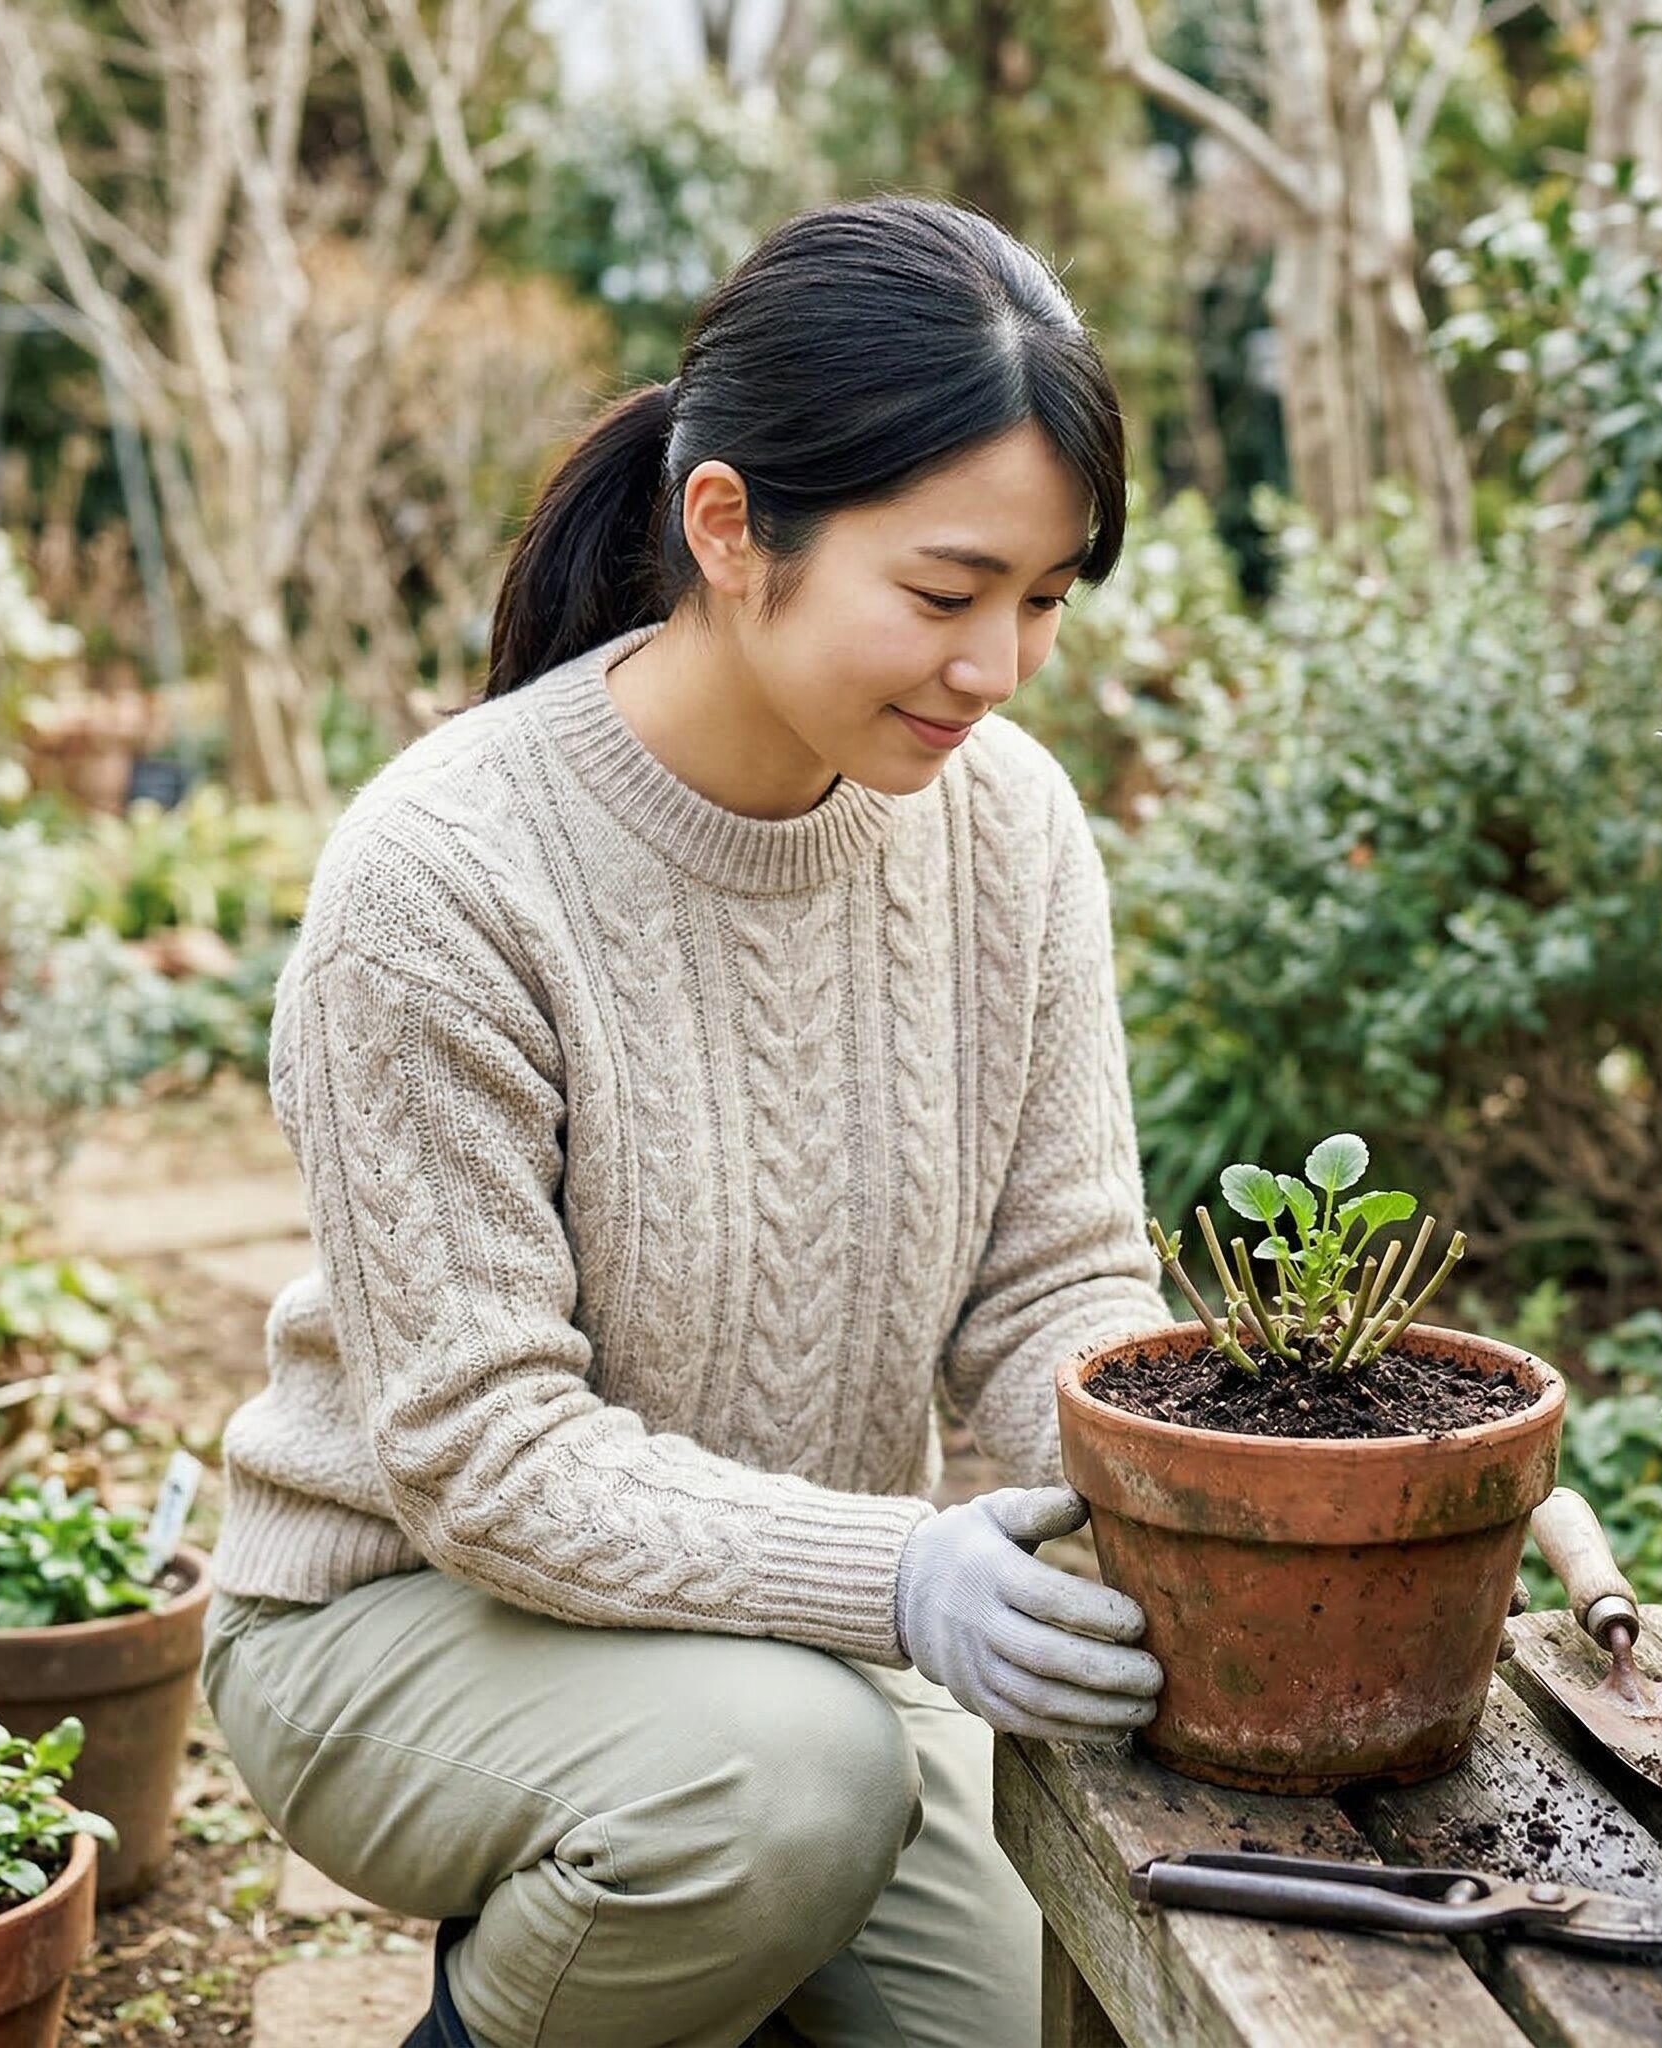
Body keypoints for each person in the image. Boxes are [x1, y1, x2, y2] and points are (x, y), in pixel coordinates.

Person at [198, 192, 1176, 2048]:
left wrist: (1233, 1489)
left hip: (788, 1632)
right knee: (779, 1797)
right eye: (949, 594)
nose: (1001, 669)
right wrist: (897, 1572)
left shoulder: (1012, 828)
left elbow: (1057, 1282)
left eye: (1045, 603)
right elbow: (486, 1454)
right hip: (401, 1613)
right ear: (730, 527)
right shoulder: (446, 875)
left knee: (1060, 2002)